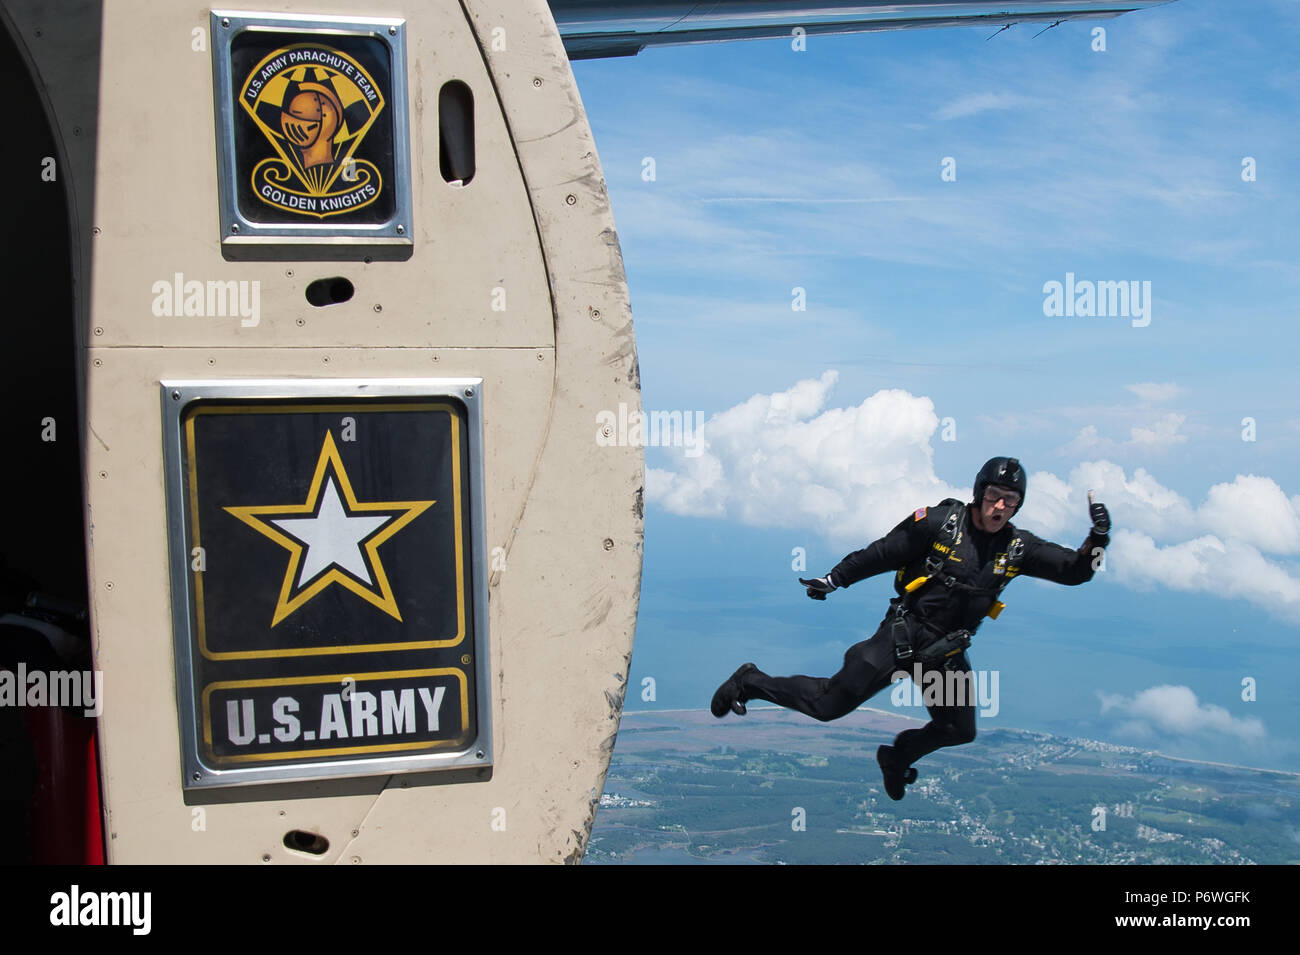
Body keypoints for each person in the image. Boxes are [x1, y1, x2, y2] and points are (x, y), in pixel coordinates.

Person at [710, 457, 1110, 800]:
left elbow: (1077, 573)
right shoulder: (940, 523)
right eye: (993, 497)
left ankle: (897, 757)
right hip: (903, 635)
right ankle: (749, 681)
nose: (1000, 507)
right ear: (978, 493)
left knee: (958, 729)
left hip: (945, 654)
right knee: (828, 706)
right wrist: (834, 580)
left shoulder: (1018, 548)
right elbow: (884, 551)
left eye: (1010, 501)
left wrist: (1099, 537)